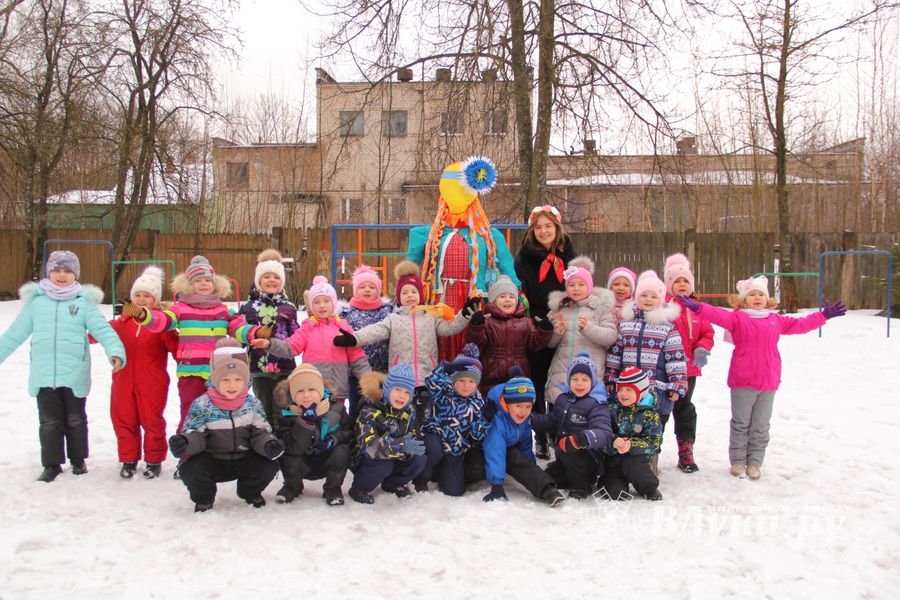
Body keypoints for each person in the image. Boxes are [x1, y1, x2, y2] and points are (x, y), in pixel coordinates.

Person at [679, 276, 846, 480]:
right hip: (742, 380)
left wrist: (824, 316)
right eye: (751, 294)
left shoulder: (776, 320)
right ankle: (738, 461)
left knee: (761, 425)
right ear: (743, 300)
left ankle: (755, 462)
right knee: (740, 424)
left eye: (760, 294)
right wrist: (697, 307)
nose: (757, 297)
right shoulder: (738, 319)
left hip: (768, 380)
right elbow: (716, 314)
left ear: (767, 300)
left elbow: (801, 325)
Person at [0, 250, 125, 482]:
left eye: (67, 271)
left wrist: (115, 351)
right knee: (49, 422)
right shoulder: (36, 304)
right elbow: (14, 334)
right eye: (57, 270)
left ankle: (78, 459)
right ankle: (51, 464)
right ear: (49, 272)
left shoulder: (82, 303)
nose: (61, 275)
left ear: (75, 275)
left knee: (76, 419)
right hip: (44, 373)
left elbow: (103, 330)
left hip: (74, 372)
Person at [124, 255, 263, 433]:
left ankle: (216, 452)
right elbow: (163, 322)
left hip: (218, 372)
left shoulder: (222, 310)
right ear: (190, 285)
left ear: (214, 284)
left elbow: (238, 328)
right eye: (198, 280)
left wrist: (256, 332)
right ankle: (187, 454)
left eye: (207, 280)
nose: (204, 284)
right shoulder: (180, 308)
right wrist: (144, 315)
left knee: (219, 413)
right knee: (191, 412)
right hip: (191, 372)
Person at [407, 157, 520, 361]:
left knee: (474, 348)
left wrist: (517, 299)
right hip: (438, 303)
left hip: (475, 302)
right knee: (437, 349)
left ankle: (471, 388)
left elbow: (508, 274)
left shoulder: (489, 236)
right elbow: (409, 275)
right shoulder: (428, 235)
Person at [168, 338, 284, 512]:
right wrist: (185, 443)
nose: (232, 385)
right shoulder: (202, 405)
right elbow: (195, 434)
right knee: (190, 469)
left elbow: (260, 432)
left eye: (238, 379)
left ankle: (249, 491)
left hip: (243, 458)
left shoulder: (251, 404)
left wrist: (268, 443)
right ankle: (204, 498)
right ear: (215, 380)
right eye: (225, 380)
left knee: (268, 465)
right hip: (212, 459)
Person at [333, 261, 476, 388]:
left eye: (414, 291)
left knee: (423, 414)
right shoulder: (393, 318)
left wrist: (464, 315)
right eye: (405, 292)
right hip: (400, 380)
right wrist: (354, 339)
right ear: (399, 297)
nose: (409, 295)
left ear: (420, 295)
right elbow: (374, 331)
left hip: (427, 376)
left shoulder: (430, 317)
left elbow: (450, 328)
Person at [604, 270, 687, 475]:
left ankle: (649, 462)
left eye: (653, 296)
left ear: (661, 299)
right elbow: (616, 354)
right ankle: (623, 462)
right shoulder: (626, 325)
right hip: (626, 389)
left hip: (655, 390)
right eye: (643, 295)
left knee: (653, 426)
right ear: (636, 297)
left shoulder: (667, 328)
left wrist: (677, 384)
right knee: (626, 424)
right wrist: (611, 377)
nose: (648, 300)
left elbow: (676, 358)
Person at [514, 204, 577, 458]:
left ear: (557, 228)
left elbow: (579, 286)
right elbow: (522, 295)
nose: (543, 231)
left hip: (565, 325)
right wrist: (536, 320)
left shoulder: (570, 255)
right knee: (538, 381)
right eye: (538, 227)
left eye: (548, 226)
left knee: (560, 380)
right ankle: (540, 434)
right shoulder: (524, 258)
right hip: (538, 325)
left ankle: (557, 429)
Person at [103, 266, 177, 479]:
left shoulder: (160, 325)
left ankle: (154, 460)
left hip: (152, 383)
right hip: (123, 381)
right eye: (138, 295)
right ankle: (129, 458)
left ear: (155, 300)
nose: (142, 299)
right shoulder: (119, 324)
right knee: (124, 419)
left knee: (152, 420)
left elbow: (176, 348)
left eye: (147, 296)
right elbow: (95, 334)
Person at [262, 275, 371, 405]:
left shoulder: (344, 329)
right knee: (313, 423)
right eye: (316, 302)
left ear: (334, 303)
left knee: (337, 422)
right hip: (312, 391)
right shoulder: (308, 328)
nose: (322, 306)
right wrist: (270, 343)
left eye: (326, 301)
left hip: (337, 391)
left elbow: (357, 357)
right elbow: (290, 347)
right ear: (312, 306)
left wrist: (369, 382)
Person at [467, 372, 566, 506]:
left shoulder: (524, 419)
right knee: (477, 469)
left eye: (528, 407)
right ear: (507, 404)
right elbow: (494, 451)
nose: (523, 412)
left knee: (515, 456)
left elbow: (525, 446)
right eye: (518, 406)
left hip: (505, 452)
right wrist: (497, 485)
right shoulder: (497, 420)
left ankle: (547, 490)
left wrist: (532, 471)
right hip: (479, 453)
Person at [531, 352, 612, 499]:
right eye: (574, 379)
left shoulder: (597, 404)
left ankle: (582, 486)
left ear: (592, 381)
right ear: (569, 380)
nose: (579, 383)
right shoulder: (563, 399)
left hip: (588, 456)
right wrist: (532, 420)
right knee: (550, 477)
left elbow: (604, 432)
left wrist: (582, 439)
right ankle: (573, 477)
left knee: (572, 454)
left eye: (584, 379)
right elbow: (552, 420)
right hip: (564, 455)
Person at [413, 344, 490, 496]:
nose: (466, 385)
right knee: (433, 449)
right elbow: (431, 383)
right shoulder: (444, 391)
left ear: (477, 383)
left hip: (455, 450)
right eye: (461, 380)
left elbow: (477, 436)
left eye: (471, 381)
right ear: (454, 380)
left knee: (454, 491)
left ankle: (441, 471)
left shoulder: (478, 403)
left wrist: (487, 419)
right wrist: (443, 369)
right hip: (435, 439)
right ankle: (421, 478)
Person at [272, 363, 353, 506]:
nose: (306, 395)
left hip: (326, 459)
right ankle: (292, 487)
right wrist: (305, 423)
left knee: (342, 451)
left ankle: (332, 489)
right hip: (301, 460)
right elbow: (291, 447)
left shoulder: (336, 409)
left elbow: (348, 432)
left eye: (311, 389)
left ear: (321, 390)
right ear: (292, 394)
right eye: (300, 391)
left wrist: (333, 440)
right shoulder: (286, 414)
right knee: (286, 454)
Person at [663, 253, 714, 473]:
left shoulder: (698, 308)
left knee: (684, 409)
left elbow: (707, 332)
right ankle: (650, 449)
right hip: (664, 370)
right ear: (668, 285)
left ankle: (686, 450)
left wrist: (703, 347)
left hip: (689, 369)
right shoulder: (663, 307)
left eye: (686, 281)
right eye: (677, 281)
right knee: (661, 409)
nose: (682, 285)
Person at [238, 249, 299, 427]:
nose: (272, 280)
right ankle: (265, 440)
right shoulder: (248, 308)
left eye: (276, 277)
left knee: (283, 406)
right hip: (258, 367)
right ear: (258, 281)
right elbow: (241, 335)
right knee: (264, 406)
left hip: (284, 366)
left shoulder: (289, 308)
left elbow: (296, 336)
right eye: (266, 277)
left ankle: (282, 440)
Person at [545, 256, 618, 406]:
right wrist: (557, 332)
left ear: (589, 286)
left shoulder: (600, 308)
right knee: (559, 414)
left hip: (589, 373)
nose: (576, 289)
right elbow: (550, 345)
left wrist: (589, 328)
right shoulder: (561, 309)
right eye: (571, 285)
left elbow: (611, 336)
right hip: (562, 371)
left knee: (585, 413)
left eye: (581, 284)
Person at [349, 364, 427, 504]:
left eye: (406, 392)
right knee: (383, 464)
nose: (402, 396)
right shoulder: (370, 411)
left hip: (392, 455)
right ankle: (359, 488)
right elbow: (370, 447)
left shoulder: (409, 412)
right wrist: (401, 446)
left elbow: (413, 435)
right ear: (387, 390)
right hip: (366, 459)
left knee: (419, 458)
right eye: (397, 390)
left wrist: (409, 448)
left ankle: (393, 483)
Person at [466, 274, 554, 393]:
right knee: (492, 403)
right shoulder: (488, 322)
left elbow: (536, 343)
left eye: (511, 297)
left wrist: (545, 330)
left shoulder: (525, 322)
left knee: (517, 403)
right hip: (491, 374)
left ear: (517, 301)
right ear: (493, 301)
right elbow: (476, 343)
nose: (507, 299)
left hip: (519, 373)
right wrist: (477, 326)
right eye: (502, 296)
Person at [339, 264, 396, 420]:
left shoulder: (386, 310)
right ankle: (354, 433)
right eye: (362, 287)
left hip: (381, 370)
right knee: (356, 405)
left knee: (381, 404)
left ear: (378, 290)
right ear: (355, 291)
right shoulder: (347, 312)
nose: (367, 290)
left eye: (371, 287)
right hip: (356, 372)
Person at [602, 367, 663, 501]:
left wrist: (632, 445)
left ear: (641, 392)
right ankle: (611, 483)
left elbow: (655, 442)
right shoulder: (612, 409)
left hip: (636, 458)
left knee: (633, 465)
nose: (623, 394)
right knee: (615, 493)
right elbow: (602, 432)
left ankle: (648, 488)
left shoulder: (649, 413)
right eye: (621, 389)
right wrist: (613, 441)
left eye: (629, 390)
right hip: (614, 457)